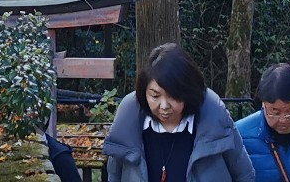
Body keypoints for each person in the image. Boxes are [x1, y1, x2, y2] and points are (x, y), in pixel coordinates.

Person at [104, 45, 255, 182]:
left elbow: (244, 174)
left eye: (173, 96)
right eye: (155, 96)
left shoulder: (214, 115)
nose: (163, 106)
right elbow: (114, 174)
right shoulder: (128, 117)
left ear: (188, 91)